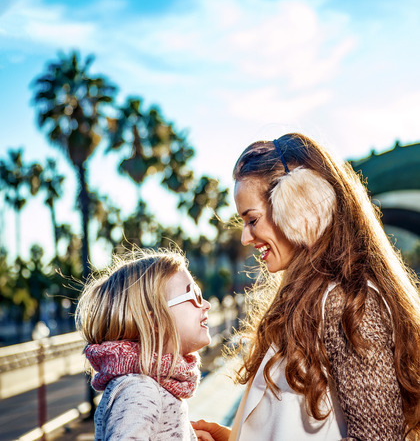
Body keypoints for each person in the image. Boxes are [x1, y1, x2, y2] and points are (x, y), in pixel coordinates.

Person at [192, 133, 420, 441]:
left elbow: (378, 436)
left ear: (299, 205)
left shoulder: (347, 303)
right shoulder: (315, 299)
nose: (246, 238)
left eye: (252, 219)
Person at [75, 248, 211, 440]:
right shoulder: (140, 390)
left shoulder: (154, 384)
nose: (206, 304)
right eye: (194, 295)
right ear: (155, 321)